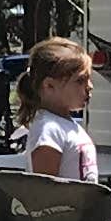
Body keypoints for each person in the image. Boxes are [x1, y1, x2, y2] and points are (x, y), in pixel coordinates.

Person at [16, 38, 99, 183]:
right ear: (49, 86)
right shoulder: (49, 130)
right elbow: (45, 192)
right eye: (80, 81)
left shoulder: (65, 125)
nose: (89, 86)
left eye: (89, 79)